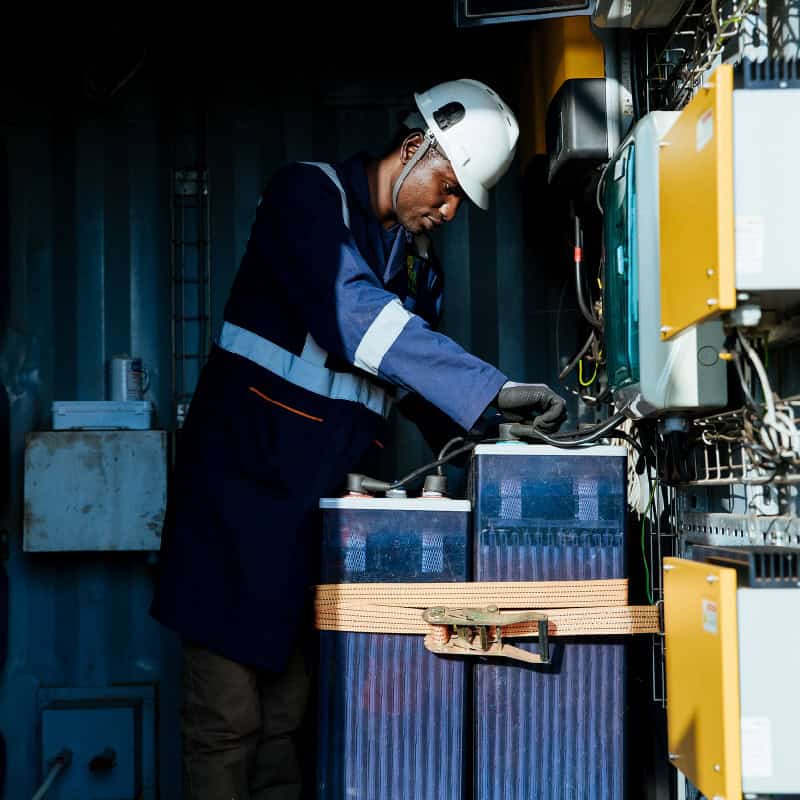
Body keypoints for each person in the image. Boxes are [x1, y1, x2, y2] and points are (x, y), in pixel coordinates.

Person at [150, 77, 567, 800]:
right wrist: (486, 389)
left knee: (286, 720)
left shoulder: (414, 269)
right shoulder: (306, 199)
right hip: (237, 504)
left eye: (457, 202)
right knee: (225, 720)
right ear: (414, 147)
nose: (444, 210)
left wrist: (500, 431)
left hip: (314, 520)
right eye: (443, 186)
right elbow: (354, 316)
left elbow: (407, 377)